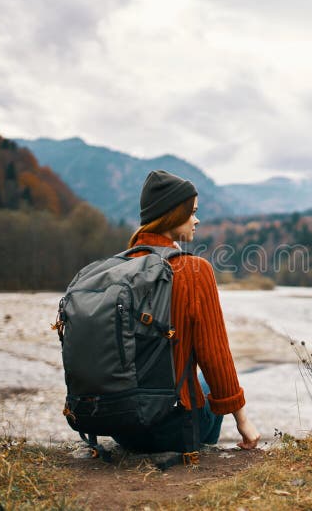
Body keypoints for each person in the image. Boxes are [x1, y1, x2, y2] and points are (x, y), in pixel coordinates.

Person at [112, 169, 260, 452]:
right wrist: (243, 421)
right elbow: (215, 356)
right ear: (172, 214)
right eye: (191, 212)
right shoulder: (194, 269)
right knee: (203, 378)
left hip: (120, 426)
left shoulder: (119, 267)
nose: (197, 219)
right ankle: (198, 451)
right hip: (173, 428)